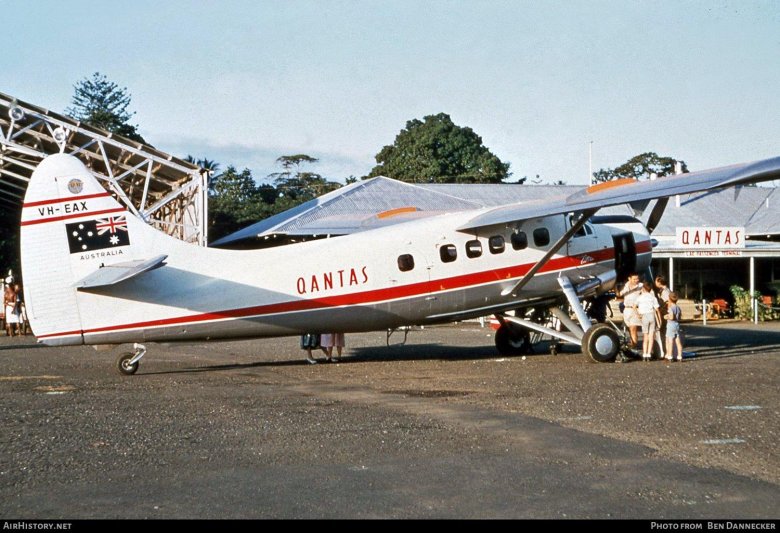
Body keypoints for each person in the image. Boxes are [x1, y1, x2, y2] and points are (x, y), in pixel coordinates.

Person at [634, 281, 662, 361]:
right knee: (651, 336)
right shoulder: (653, 297)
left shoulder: (640, 297)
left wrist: (638, 314)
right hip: (651, 315)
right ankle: (649, 354)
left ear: (643, 288)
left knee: (645, 336)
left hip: (644, 316)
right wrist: (660, 320)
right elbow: (657, 310)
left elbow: (634, 306)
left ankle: (644, 354)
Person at [618, 273, 642, 348]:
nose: (636, 280)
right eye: (634, 279)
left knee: (633, 328)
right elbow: (619, 294)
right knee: (629, 328)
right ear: (629, 279)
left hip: (635, 309)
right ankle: (633, 343)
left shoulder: (641, 286)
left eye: (637, 279)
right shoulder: (626, 285)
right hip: (627, 309)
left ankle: (634, 345)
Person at [654, 276, 671, 360]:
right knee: (663, 332)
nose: (655, 283)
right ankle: (663, 351)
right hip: (663, 313)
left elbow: (667, 302)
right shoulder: (662, 291)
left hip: (664, 313)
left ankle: (665, 352)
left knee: (664, 332)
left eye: (656, 281)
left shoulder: (666, 292)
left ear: (659, 282)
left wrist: (662, 310)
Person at [665, 292, 684, 362]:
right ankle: (680, 356)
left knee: (670, 341)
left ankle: (670, 356)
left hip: (671, 325)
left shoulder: (671, 308)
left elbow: (671, 317)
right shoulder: (678, 308)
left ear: (669, 299)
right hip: (677, 325)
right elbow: (679, 317)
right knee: (678, 342)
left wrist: (666, 317)